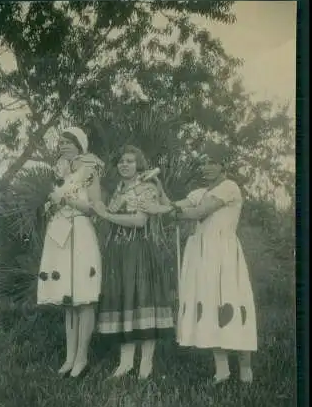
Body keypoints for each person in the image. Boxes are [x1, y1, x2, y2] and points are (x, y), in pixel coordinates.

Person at [137, 144, 258, 385]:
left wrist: (160, 210)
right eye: (203, 163)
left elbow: (197, 213)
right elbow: (174, 205)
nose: (206, 167)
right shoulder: (199, 191)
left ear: (223, 165)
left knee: (232, 304)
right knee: (213, 306)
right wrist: (159, 186)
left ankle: (246, 371)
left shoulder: (229, 188)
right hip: (204, 256)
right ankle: (222, 370)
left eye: (212, 162)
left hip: (224, 254)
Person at [91, 145, 174, 380]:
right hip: (119, 252)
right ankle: (125, 362)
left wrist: (106, 215)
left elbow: (139, 221)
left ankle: (146, 363)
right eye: (121, 161)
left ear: (139, 164)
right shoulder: (119, 189)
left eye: (130, 161)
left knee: (143, 299)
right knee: (123, 301)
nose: (124, 164)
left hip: (140, 250)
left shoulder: (148, 187)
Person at [37, 126, 104, 378]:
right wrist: (50, 206)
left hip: (80, 233)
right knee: (68, 300)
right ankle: (69, 357)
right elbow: (55, 200)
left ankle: (82, 357)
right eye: (61, 142)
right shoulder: (61, 172)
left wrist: (66, 201)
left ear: (79, 145)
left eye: (69, 142)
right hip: (60, 235)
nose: (63, 146)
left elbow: (95, 207)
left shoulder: (90, 170)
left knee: (83, 298)